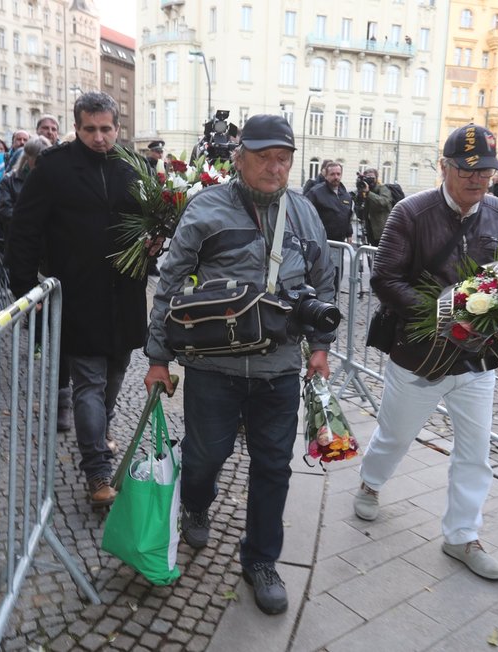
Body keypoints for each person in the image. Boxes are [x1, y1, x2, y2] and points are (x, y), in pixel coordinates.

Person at [143, 114, 337, 615]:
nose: (276, 168)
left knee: (274, 466)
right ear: (239, 157)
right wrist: (158, 357)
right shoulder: (206, 208)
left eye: (284, 159)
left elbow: (326, 281)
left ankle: (261, 560)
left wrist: (321, 345)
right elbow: (169, 283)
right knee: (207, 455)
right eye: (265, 157)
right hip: (214, 367)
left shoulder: (305, 213)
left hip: (278, 370)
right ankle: (195, 502)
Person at [354, 124, 498, 582]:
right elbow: (384, 279)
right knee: (396, 435)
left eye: (485, 171)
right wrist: (444, 313)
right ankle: (371, 483)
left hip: (478, 359)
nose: (477, 179)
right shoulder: (409, 213)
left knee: (476, 452)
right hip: (419, 356)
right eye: (467, 169)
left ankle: (462, 536)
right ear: (444, 167)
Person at [5, 91, 148, 508]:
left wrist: (154, 242)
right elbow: (25, 230)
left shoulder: (131, 167)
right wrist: (24, 290)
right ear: (77, 127)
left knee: (116, 376)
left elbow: (147, 221)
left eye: (106, 129)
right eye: (90, 129)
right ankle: (97, 470)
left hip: (126, 294)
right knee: (89, 382)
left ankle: (99, 432)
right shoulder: (54, 168)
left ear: (118, 128)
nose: (99, 137)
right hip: (77, 293)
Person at [304, 162, 353, 243]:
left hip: (340, 243)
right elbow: (305, 215)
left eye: (338, 174)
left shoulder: (345, 195)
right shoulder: (316, 192)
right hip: (320, 241)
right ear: (326, 176)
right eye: (332, 174)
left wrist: (349, 234)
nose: (336, 177)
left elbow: (347, 216)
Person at [357, 167, 394, 246]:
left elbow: (383, 202)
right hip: (372, 232)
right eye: (367, 178)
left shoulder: (383, 189)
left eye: (372, 178)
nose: (370, 180)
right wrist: (360, 191)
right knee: (374, 256)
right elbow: (358, 205)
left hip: (384, 232)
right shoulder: (365, 189)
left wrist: (368, 193)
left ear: (376, 178)